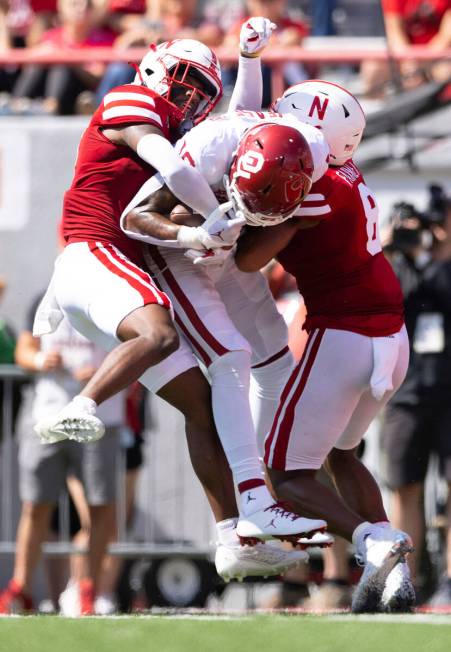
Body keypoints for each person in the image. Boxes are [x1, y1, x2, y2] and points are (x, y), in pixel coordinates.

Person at [33, 21, 318, 582]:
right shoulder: (128, 99)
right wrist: (205, 226)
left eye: (198, 93)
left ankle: (231, 537)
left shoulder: (178, 122)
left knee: (203, 406)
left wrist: (249, 62)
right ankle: (80, 407)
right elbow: (175, 168)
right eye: (184, 85)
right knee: (160, 334)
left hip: (110, 263)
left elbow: (236, 130)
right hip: (95, 253)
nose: (188, 99)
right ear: (157, 69)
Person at [234, 78, 416, 614]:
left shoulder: (311, 183)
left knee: (284, 473)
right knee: (343, 453)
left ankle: (373, 542)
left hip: (345, 334)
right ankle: (392, 575)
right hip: (391, 338)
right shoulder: (344, 171)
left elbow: (248, 259)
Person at [0, 305, 123, 616]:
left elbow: (134, 346)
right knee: (35, 505)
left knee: (99, 507)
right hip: (49, 416)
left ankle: (88, 589)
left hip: (99, 417)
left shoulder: (113, 293)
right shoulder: (45, 297)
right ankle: (21, 588)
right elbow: (25, 350)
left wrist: (104, 373)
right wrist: (42, 360)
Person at [380, 189, 451, 609]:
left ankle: (449, 580)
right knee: (404, 485)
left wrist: (442, 247)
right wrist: (389, 245)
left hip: (449, 391)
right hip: (405, 394)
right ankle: (405, 579)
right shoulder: (395, 268)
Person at [11, 0, 116, 115]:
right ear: (61, 9)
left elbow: (98, 77)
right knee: (37, 66)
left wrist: (70, 59)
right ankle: (16, 105)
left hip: (79, 95)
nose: (81, 9)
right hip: (47, 89)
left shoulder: (102, 39)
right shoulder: (51, 36)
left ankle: (50, 107)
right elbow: (29, 61)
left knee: (62, 67)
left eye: (86, 5)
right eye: (74, 4)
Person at [361, 0, 451, 98]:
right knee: (373, 68)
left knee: (445, 72)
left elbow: (446, 36)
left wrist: (423, 61)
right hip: (406, 55)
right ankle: (375, 108)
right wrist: (408, 61)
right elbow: (394, 30)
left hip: (440, 55)